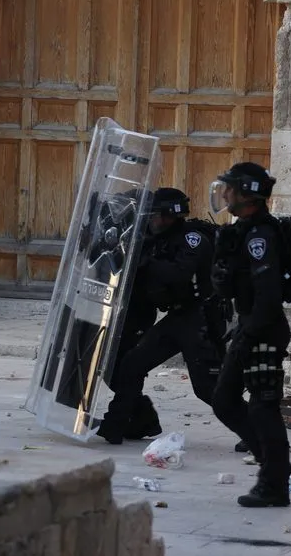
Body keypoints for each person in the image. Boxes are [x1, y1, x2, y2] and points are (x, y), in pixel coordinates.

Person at [97, 188, 232, 446]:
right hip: (177, 318)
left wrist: (142, 260)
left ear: (172, 216)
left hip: (200, 319)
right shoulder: (157, 237)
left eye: (159, 216)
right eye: (152, 216)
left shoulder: (192, 239)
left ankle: (257, 430)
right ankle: (116, 426)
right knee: (131, 364)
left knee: (205, 388)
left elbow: (178, 273)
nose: (154, 221)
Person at [209, 163, 291, 508]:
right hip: (250, 324)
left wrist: (250, 334)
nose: (225, 195)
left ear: (246, 195)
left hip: (264, 327)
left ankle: (273, 484)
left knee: (263, 407)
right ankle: (275, 464)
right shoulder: (243, 230)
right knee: (224, 400)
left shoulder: (262, 235)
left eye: (231, 189)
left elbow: (268, 294)